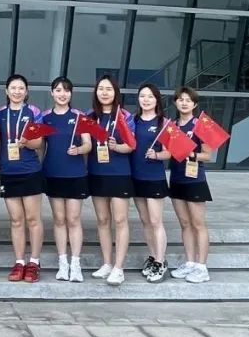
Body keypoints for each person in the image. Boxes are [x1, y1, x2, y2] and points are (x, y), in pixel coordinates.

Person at [0, 74, 46, 283]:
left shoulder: (34, 112)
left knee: (33, 219)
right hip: (8, 172)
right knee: (16, 220)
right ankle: (19, 262)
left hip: (30, 170)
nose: (17, 91)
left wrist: (26, 142)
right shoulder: (0, 114)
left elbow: (39, 143)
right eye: (13, 88)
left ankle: (34, 262)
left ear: (26, 92)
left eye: (21, 88)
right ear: (7, 91)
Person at [40, 76, 92, 283]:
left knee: (73, 219)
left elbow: (88, 144)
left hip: (75, 174)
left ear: (71, 94)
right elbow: (40, 146)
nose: (62, 94)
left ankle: (75, 264)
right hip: (53, 173)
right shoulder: (45, 118)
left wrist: (78, 149)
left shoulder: (80, 117)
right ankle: (63, 263)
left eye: (66, 90)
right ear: (52, 93)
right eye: (58, 90)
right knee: (59, 219)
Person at [88, 75, 135, 286]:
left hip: (119, 174)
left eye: (109, 89)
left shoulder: (124, 116)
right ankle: (107, 263)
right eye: (101, 89)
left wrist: (117, 147)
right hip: (97, 173)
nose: (104, 92)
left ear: (115, 92)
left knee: (120, 220)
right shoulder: (90, 117)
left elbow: (131, 145)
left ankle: (118, 267)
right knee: (102, 220)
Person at [168, 86, 215, 284]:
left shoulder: (200, 125)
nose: (184, 103)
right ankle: (189, 262)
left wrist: (191, 154)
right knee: (185, 223)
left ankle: (202, 267)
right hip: (177, 178)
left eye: (188, 100)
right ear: (175, 102)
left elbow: (208, 155)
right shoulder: (171, 125)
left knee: (198, 223)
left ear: (195, 104)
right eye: (181, 99)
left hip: (195, 180)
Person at [131, 83, 171, 283]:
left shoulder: (164, 122)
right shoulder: (133, 121)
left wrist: (157, 155)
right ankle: (153, 256)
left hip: (154, 178)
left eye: (150, 96)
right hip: (135, 177)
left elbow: (169, 152)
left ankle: (161, 262)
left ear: (157, 100)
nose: (146, 100)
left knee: (156, 221)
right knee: (145, 221)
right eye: (142, 96)